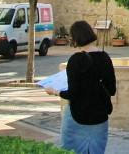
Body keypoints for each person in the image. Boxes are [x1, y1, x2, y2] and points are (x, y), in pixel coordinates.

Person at [45, 20, 116, 154]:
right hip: (99, 116)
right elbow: (112, 90)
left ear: (76, 37)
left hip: (77, 116)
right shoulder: (105, 58)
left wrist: (55, 91)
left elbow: (72, 94)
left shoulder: (75, 60)